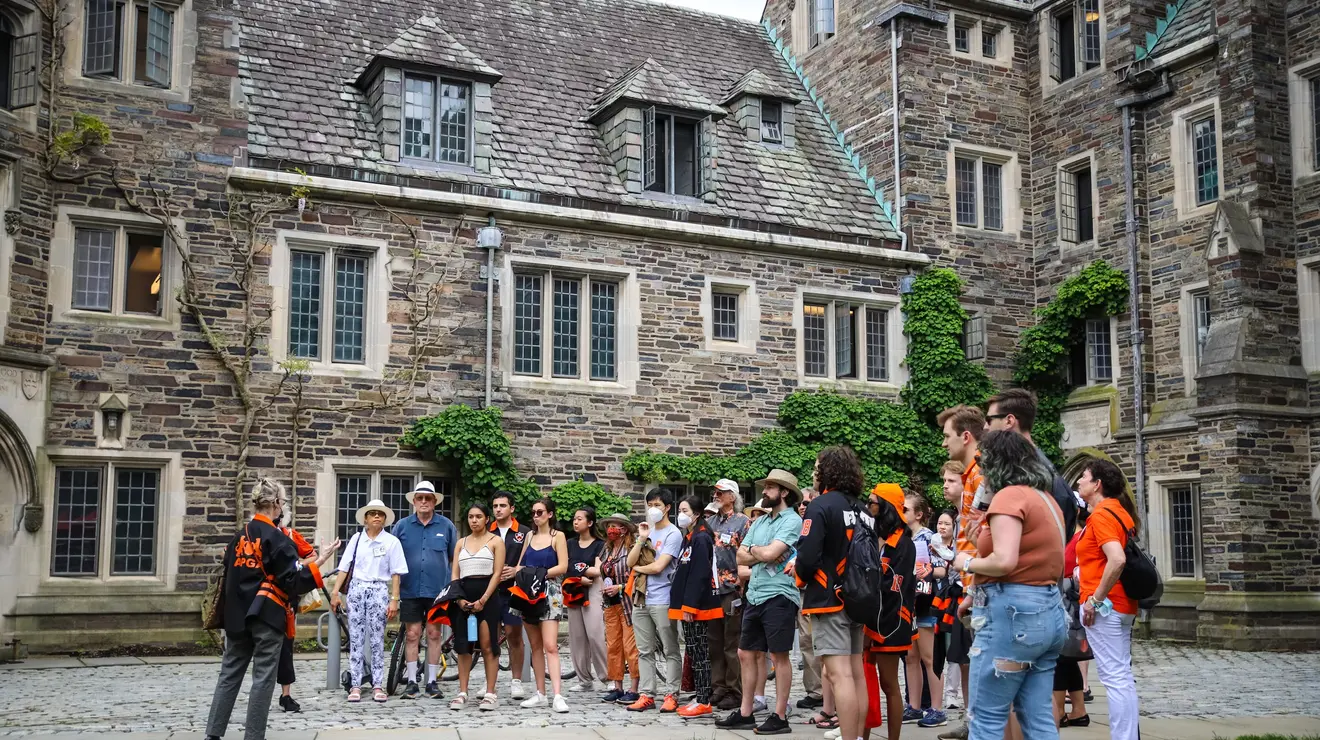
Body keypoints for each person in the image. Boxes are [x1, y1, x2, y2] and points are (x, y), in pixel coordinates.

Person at [951, 430, 1067, 740]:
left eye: (984, 462)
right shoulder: (1045, 499)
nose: (982, 470)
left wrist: (966, 563)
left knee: (985, 719)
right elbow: (1035, 558)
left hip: (1012, 618)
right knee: (1038, 717)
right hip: (1047, 613)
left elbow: (1004, 562)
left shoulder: (1010, 496)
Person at [205, 479, 331, 740]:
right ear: (275, 504)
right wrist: (318, 566)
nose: (282, 507)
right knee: (262, 679)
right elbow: (292, 582)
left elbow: (230, 575)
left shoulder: (238, 536)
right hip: (267, 617)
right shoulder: (277, 538)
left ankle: (213, 735)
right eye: (282, 503)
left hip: (237, 617)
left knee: (228, 675)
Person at [717, 468, 802, 735]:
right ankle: (746, 713)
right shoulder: (762, 522)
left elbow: (772, 552)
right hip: (754, 594)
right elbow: (740, 557)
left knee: (779, 655)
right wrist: (759, 553)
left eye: (769, 488)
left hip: (780, 594)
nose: (764, 492)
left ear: (784, 492)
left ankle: (779, 716)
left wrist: (758, 553)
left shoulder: (792, 521)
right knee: (745, 652)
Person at [796, 446, 872, 740]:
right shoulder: (863, 508)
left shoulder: (821, 505)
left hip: (829, 599)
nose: (814, 473)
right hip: (858, 598)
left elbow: (807, 556)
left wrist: (801, 578)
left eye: (817, 467)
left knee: (839, 676)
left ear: (827, 471)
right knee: (855, 674)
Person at [1076, 459, 1141, 740]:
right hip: (1120, 605)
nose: (1079, 481)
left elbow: (1117, 560)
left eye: (1084, 476)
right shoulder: (1117, 511)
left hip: (1107, 608)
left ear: (1097, 484)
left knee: (1115, 678)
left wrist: (1094, 601)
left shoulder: (1103, 514)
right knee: (1121, 677)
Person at [936, 405, 986, 740]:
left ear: (965, 437)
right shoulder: (972, 477)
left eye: (947, 436)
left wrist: (970, 579)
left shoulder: (982, 476)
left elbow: (985, 539)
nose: (944, 444)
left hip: (987, 587)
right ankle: (975, 724)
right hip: (976, 588)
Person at [330, 498, 409, 703]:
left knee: (376, 640)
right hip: (356, 589)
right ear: (365, 518)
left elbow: (396, 574)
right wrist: (335, 592)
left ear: (384, 519)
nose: (376, 516)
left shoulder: (391, 542)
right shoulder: (356, 539)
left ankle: (377, 684)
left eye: (380, 514)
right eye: (372, 513)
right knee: (355, 639)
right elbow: (344, 567)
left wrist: (394, 599)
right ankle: (355, 684)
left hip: (378, 590)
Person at [392, 480, 457, 699]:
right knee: (412, 635)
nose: (423, 502)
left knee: (434, 634)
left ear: (434, 501)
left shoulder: (446, 526)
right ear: (413, 501)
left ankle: (431, 682)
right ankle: (411, 681)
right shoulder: (401, 526)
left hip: (437, 591)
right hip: (410, 589)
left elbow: (453, 559)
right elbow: (392, 560)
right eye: (419, 498)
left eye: (427, 498)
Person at [985, 388, 1078, 539]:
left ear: (1009, 421)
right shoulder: (1025, 465)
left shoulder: (1033, 472)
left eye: (990, 420)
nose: (985, 427)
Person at [862, 484, 915, 740]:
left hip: (891, 622)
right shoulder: (871, 535)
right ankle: (861, 734)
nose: (868, 506)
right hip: (870, 619)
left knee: (889, 683)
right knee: (865, 681)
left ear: (886, 507)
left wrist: (874, 629)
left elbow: (894, 589)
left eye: (872, 502)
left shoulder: (904, 543)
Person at [626, 488, 685, 713]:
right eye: (650, 505)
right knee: (644, 650)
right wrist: (641, 539)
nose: (653, 510)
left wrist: (639, 568)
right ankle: (647, 694)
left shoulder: (673, 534)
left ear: (668, 508)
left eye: (658, 505)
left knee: (670, 648)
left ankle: (672, 693)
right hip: (641, 598)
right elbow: (631, 561)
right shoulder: (647, 531)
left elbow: (660, 566)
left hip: (663, 598)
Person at [511, 497, 571, 713]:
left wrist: (540, 573)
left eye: (540, 512)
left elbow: (563, 565)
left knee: (550, 645)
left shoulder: (558, 536)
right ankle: (540, 693)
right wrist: (520, 574)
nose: (536, 516)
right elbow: (520, 564)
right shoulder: (529, 535)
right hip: (528, 591)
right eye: (534, 513)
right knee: (534, 645)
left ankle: (557, 694)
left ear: (550, 514)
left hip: (549, 591)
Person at [446, 501, 506, 712]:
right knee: (463, 645)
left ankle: (490, 692)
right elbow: (455, 573)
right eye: (471, 517)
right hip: (463, 595)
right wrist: (459, 598)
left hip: (487, 596)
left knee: (488, 644)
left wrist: (483, 600)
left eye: (478, 516)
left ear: (487, 519)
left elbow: (497, 573)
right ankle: (462, 691)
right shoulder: (461, 543)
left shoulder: (495, 541)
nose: (474, 520)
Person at [275, 518, 335, 713]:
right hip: (259, 599)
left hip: (285, 599)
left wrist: (297, 566)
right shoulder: (254, 534)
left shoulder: (290, 535)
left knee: (286, 647)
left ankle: (285, 694)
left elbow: (310, 555)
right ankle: (260, 691)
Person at [670, 496, 722, 717]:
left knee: (700, 652)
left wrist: (690, 606)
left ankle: (703, 700)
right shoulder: (690, 537)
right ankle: (700, 696)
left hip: (698, 606)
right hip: (687, 603)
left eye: (685, 510)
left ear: (697, 513)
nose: (681, 514)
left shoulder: (701, 538)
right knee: (693, 650)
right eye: (679, 510)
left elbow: (700, 574)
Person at [902, 492, 948, 728]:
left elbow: (942, 570)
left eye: (906, 509)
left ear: (919, 514)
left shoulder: (930, 538)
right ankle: (915, 706)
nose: (902, 513)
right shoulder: (902, 537)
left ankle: (937, 708)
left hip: (926, 602)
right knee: (911, 657)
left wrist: (925, 569)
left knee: (930, 658)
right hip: (909, 602)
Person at [706, 479, 751, 711]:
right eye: (715, 491)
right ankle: (719, 686)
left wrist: (743, 585)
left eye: (721, 492)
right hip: (712, 589)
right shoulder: (709, 522)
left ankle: (735, 690)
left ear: (732, 496)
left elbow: (748, 555)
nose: (716, 495)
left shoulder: (744, 522)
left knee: (732, 641)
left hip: (732, 587)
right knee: (714, 642)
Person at [596, 512, 642, 704]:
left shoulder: (631, 548)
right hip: (610, 603)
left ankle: (634, 688)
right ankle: (617, 686)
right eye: (609, 526)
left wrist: (621, 587)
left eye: (615, 526)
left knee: (630, 646)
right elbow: (601, 570)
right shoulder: (606, 550)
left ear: (624, 530)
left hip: (628, 602)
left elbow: (637, 574)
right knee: (613, 646)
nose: (611, 530)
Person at [490, 491, 528, 699]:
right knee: (490, 637)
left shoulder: (524, 532)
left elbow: (532, 559)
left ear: (511, 508)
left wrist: (516, 570)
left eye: (502, 506)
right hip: (491, 591)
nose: (498, 509)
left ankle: (516, 681)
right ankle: (491, 681)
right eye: (495, 506)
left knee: (514, 636)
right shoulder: (487, 530)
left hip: (514, 592)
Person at [566, 506, 609, 691]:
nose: (575, 522)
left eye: (579, 519)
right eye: (574, 519)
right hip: (574, 589)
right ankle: (584, 679)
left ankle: (607, 677)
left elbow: (598, 570)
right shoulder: (569, 544)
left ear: (590, 523)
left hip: (592, 590)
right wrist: (581, 573)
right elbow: (564, 565)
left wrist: (577, 569)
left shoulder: (600, 545)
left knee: (595, 633)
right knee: (577, 636)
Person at [1054, 503, 1089, 728]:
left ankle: (1057, 711)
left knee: (1058, 656)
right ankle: (1078, 710)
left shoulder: (1079, 537)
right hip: (1063, 598)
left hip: (1069, 601)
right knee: (1066, 657)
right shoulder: (1067, 537)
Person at [793, 487, 825, 714]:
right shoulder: (798, 525)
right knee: (806, 641)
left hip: (820, 590)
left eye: (807, 502)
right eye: (801, 504)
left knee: (820, 640)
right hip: (800, 590)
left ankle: (825, 691)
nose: (802, 507)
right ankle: (815, 690)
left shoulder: (821, 522)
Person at [933, 504, 963, 711]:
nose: (942, 527)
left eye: (947, 523)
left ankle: (951, 695)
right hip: (932, 601)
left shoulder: (958, 547)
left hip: (952, 602)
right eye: (939, 523)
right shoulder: (928, 543)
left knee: (953, 648)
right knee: (935, 650)